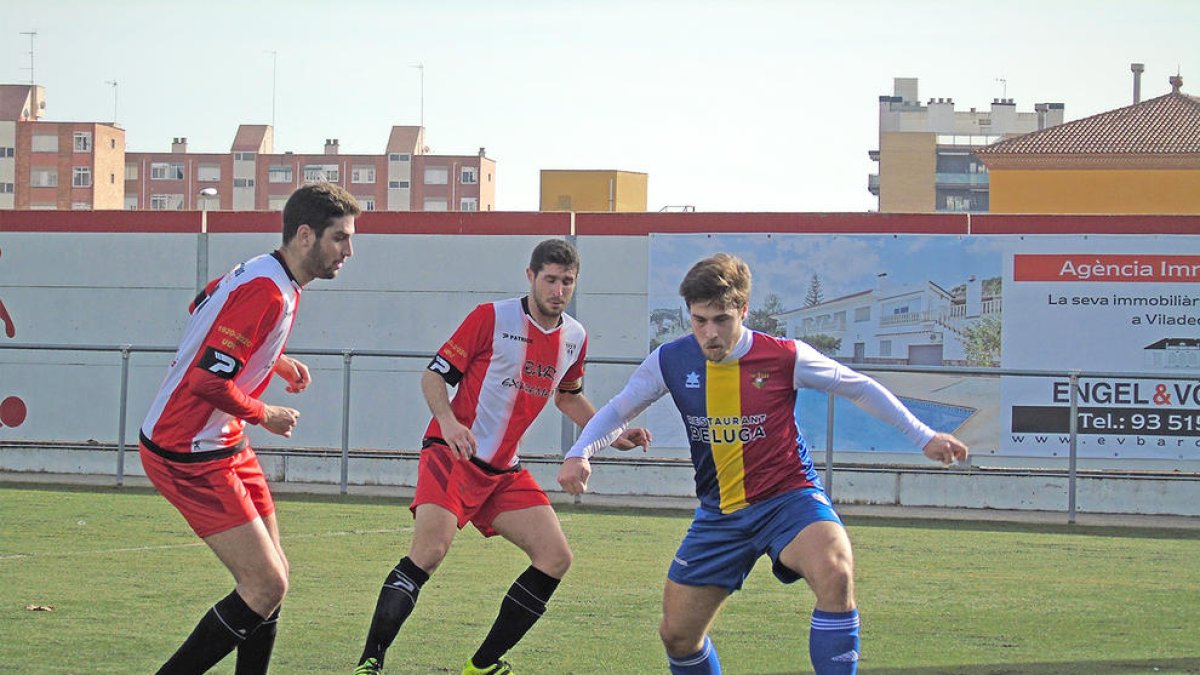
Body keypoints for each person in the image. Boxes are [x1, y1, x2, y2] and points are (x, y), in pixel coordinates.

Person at [557, 253, 968, 675]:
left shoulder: (785, 357)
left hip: (789, 500)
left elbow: (858, 387)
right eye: (699, 321)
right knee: (678, 636)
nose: (710, 334)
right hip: (719, 514)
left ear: (744, 311)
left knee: (835, 570)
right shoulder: (670, 361)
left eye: (721, 320)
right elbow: (619, 410)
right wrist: (579, 452)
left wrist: (925, 436)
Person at [354, 239, 649, 675]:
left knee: (556, 557)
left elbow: (569, 398)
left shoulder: (575, 337)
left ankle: (482, 664)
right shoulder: (491, 318)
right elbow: (434, 376)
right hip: (451, 456)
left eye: (567, 281)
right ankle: (369, 663)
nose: (558, 289)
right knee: (430, 550)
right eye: (550, 279)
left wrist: (614, 433)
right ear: (530, 277)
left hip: (503, 473)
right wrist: (450, 422)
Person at [139, 183, 359, 674]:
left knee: (274, 578)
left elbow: (203, 306)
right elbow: (203, 380)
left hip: (220, 441)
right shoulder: (266, 289)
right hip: (186, 448)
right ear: (306, 235)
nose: (350, 250)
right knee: (264, 584)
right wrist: (265, 413)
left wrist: (271, 360)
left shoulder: (266, 272)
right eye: (340, 238)